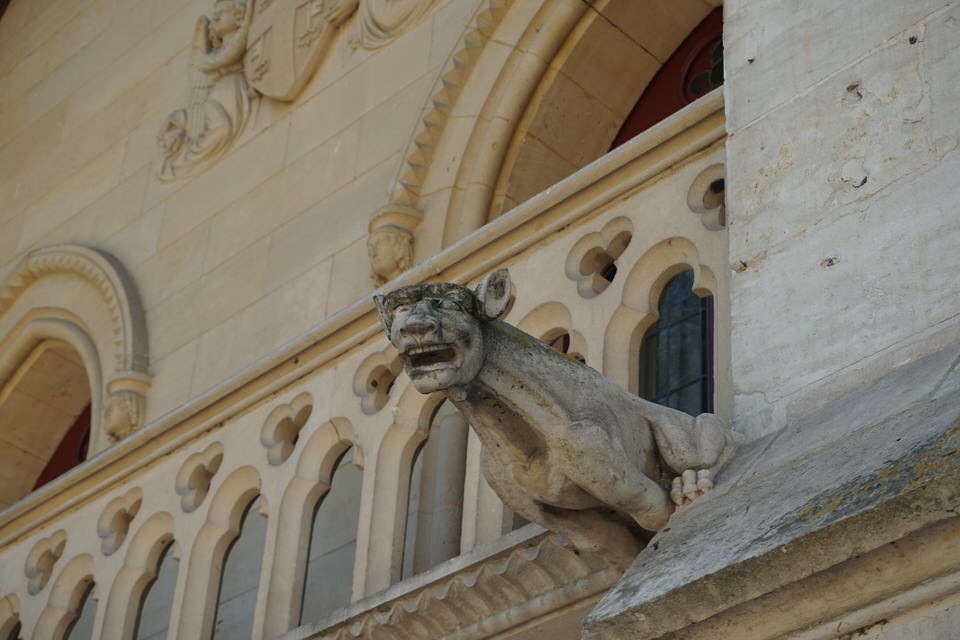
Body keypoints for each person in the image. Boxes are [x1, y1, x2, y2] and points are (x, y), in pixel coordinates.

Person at [158, 0, 254, 181]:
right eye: (215, 15)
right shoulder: (209, 58)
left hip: (237, 89)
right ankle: (186, 160)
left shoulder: (238, 41)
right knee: (222, 129)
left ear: (237, 16)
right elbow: (231, 53)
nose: (215, 18)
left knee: (227, 128)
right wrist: (249, 20)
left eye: (223, 13)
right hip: (218, 96)